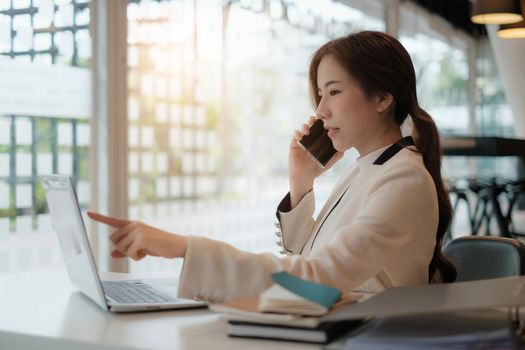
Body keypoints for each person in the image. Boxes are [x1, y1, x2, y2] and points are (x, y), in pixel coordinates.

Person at [88, 31, 456, 303]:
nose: (320, 111)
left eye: (334, 92)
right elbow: (308, 259)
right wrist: (301, 183)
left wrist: (183, 247)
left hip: (363, 334)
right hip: (335, 321)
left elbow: (317, 277)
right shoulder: (367, 168)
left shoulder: (402, 179)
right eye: (320, 95)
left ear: (382, 97)